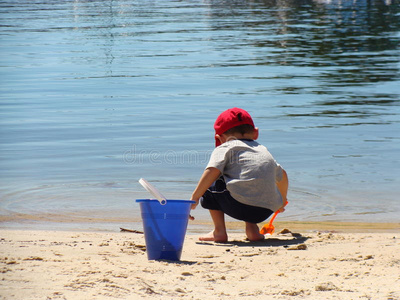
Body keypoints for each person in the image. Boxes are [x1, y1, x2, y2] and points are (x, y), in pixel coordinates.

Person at [191, 107, 288, 242]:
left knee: (213, 179)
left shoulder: (225, 147)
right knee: (251, 179)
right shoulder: (262, 150)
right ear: (256, 133)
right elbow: (283, 175)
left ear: (219, 138)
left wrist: (194, 198)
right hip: (266, 210)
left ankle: (219, 232)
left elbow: (212, 170)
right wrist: (281, 201)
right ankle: (253, 230)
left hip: (239, 207)